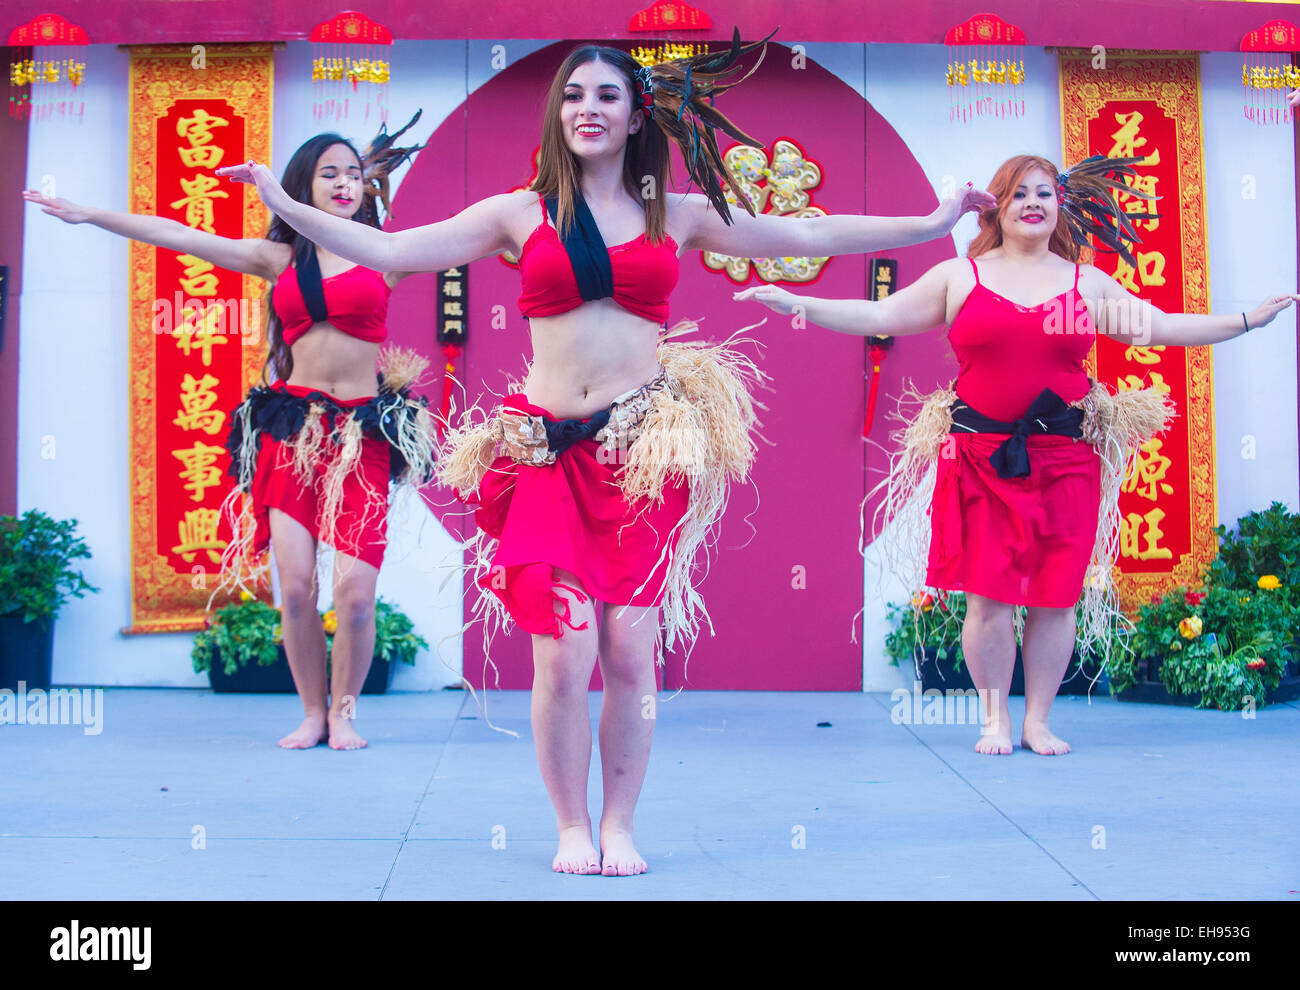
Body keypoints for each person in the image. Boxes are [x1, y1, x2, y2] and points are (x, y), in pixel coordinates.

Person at [215, 32, 995, 875]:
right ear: (560, 114)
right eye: (575, 95)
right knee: (567, 645)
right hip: (545, 454)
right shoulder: (521, 212)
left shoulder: (678, 213)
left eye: (607, 96)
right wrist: (283, 204)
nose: (588, 107)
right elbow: (396, 250)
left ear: (633, 116)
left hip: (637, 454)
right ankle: (569, 826)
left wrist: (931, 219)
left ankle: (619, 822)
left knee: (630, 650)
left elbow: (802, 235)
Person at [738, 153, 1298, 757]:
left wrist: (1246, 320)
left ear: (1060, 206)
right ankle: (994, 720)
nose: (1033, 203)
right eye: (1018, 194)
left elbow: (1160, 327)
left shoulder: (1086, 283)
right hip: (979, 456)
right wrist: (800, 304)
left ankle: (1037, 720)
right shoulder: (961, 276)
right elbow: (880, 314)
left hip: (1066, 460)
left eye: (1044, 194)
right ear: (996, 208)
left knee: (1057, 597)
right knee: (987, 598)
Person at [24, 126, 435, 752]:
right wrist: (88, 215)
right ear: (303, 185)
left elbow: (476, 235)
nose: (344, 182)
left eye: (352, 173)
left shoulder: (385, 253)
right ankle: (311, 713)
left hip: (359, 437)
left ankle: (346, 712)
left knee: (354, 595)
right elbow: (179, 234)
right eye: (328, 173)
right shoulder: (279, 260)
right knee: (296, 587)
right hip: (292, 430)